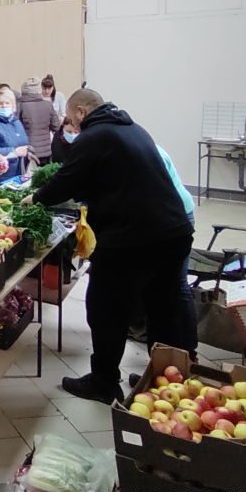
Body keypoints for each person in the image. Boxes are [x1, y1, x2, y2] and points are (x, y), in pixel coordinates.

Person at [27, 89, 194, 404]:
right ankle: (164, 379)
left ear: (79, 111)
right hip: (174, 232)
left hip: (134, 238)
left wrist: (35, 198)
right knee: (162, 306)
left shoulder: (95, 136)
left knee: (106, 307)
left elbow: (67, 180)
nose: (72, 129)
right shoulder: (132, 128)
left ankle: (104, 381)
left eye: (71, 122)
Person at [17, 78, 58, 163]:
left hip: (27, 151)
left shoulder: (20, 106)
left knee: (27, 175)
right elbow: (56, 127)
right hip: (45, 151)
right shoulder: (48, 105)